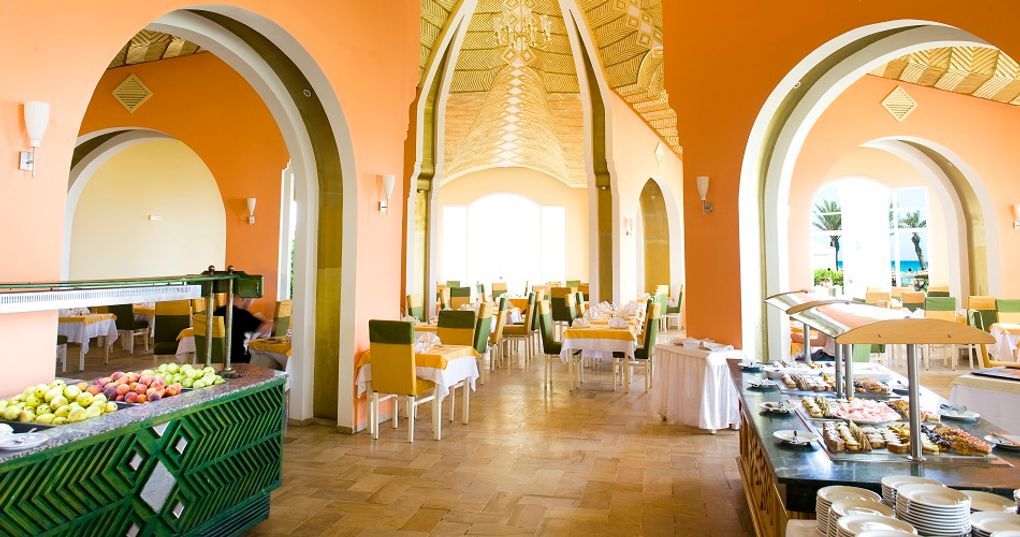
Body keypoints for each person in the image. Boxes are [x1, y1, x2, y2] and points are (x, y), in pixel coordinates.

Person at [213, 296, 272, 363]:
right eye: (253, 298)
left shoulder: (216, 313)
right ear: (244, 298)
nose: (253, 301)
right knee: (271, 361)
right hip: (239, 363)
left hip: (216, 363)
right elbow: (267, 327)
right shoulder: (242, 315)